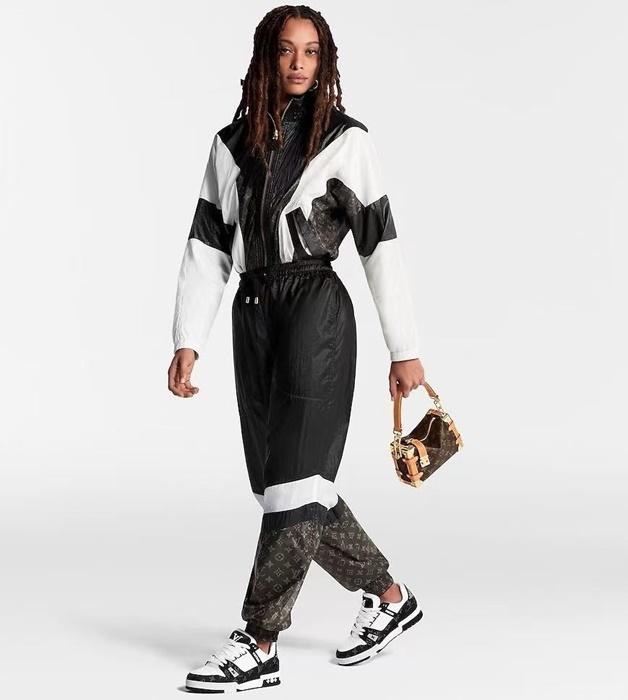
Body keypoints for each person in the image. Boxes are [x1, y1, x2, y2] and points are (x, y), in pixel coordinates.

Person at [168, 5, 425, 693]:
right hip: (253, 313)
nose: (299, 63)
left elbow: (381, 247)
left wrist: (404, 348)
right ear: (265, 57)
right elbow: (206, 245)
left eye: (311, 52)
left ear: (325, 61)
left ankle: (259, 641)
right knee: (280, 486)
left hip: (316, 312)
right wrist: (188, 338)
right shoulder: (229, 145)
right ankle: (391, 597)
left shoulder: (348, 141)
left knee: (294, 484)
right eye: (286, 50)